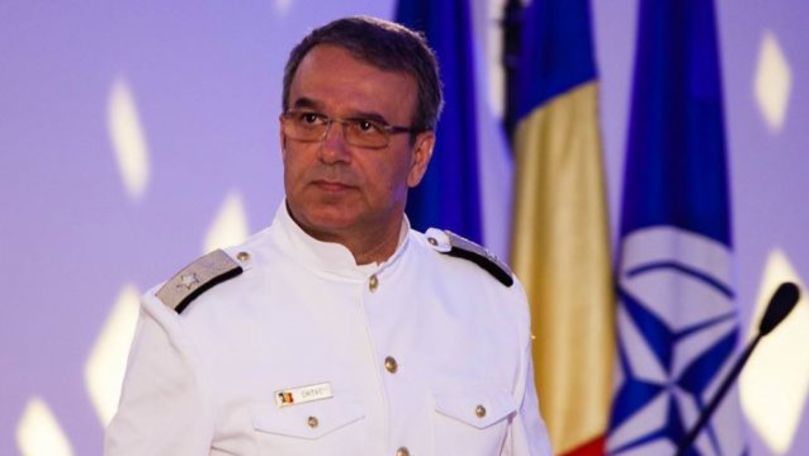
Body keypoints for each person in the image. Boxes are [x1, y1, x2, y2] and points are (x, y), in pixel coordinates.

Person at [105, 16, 552, 456]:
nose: (331, 151)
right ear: (283, 137)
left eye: (365, 127)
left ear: (419, 156)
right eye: (311, 119)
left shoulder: (487, 302)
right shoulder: (197, 322)